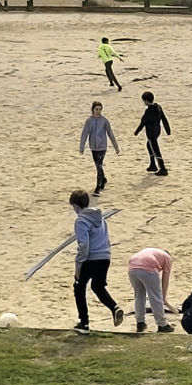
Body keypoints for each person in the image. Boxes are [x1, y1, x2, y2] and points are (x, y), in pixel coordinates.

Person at [69, 189, 124, 334]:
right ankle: (114, 308)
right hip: (105, 257)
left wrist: (78, 264)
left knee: (79, 288)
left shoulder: (81, 221)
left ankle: (84, 322)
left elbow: (84, 245)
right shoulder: (102, 218)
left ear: (75, 206)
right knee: (98, 287)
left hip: (90, 258)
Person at [127, 247, 175, 333]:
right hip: (148, 269)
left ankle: (140, 322)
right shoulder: (168, 258)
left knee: (139, 296)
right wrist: (163, 297)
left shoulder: (154, 252)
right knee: (155, 297)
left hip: (132, 268)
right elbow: (165, 279)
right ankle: (162, 325)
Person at [79, 101, 120, 197]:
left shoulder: (104, 121)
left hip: (102, 147)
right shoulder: (89, 121)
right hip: (93, 147)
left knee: (99, 165)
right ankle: (104, 179)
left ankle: (98, 187)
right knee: (98, 165)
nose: (98, 111)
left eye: (100, 109)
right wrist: (82, 147)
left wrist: (116, 147)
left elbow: (110, 134)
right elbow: (84, 134)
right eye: (96, 109)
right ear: (93, 109)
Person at [134, 91, 171, 176]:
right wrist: (168, 130)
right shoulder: (158, 107)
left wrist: (136, 132)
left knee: (155, 149)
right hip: (157, 131)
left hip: (151, 133)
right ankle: (153, 165)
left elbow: (143, 122)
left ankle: (163, 168)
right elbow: (164, 118)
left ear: (146, 101)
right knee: (149, 145)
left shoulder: (148, 111)